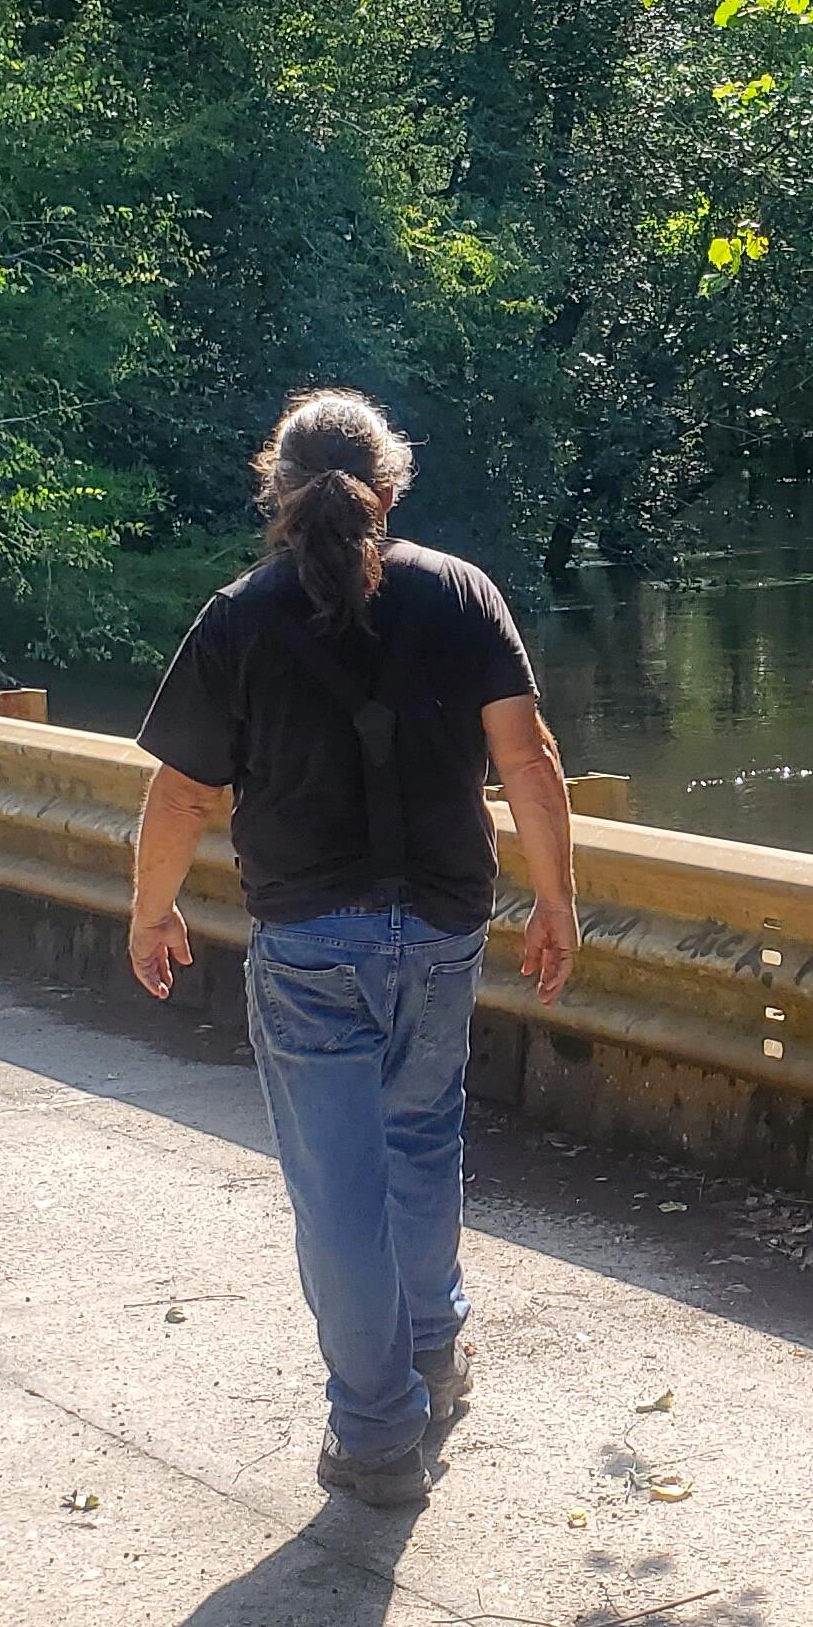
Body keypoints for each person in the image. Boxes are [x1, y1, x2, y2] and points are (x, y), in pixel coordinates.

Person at [122, 388, 581, 1508]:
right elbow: (528, 759)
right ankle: (433, 1350)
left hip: (310, 939)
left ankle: (377, 1435)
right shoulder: (460, 593)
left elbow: (184, 794)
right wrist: (557, 899)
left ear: (274, 491)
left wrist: (150, 910)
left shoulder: (239, 615)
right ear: (394, 485)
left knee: (339, 1191)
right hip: (440, 928)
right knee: (421, 1146)